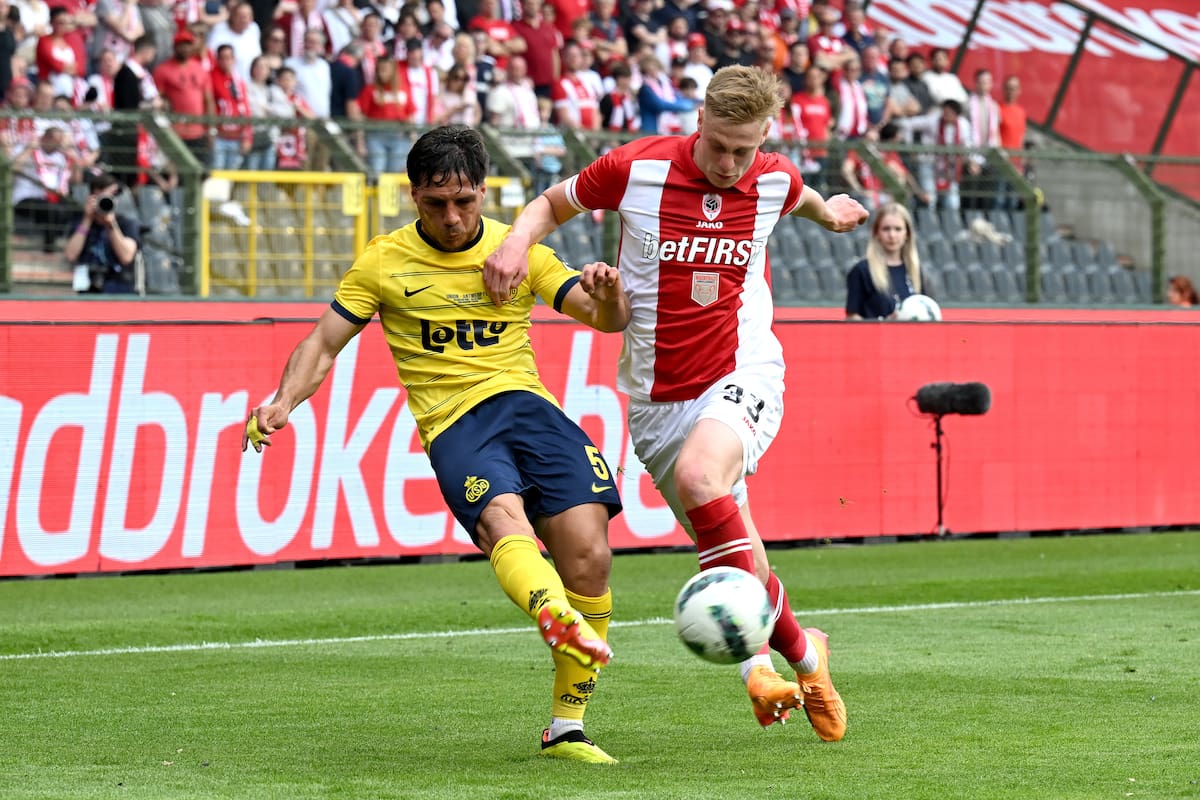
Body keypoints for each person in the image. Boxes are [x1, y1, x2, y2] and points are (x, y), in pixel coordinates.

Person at [484, 65, 866, 741]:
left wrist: (832, 214)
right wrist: (516, 243)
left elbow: (804, 198)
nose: (728, 163)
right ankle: (809, 659)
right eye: (718, 145)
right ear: (698, 121)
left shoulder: (773, 178)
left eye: (743, 150)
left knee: (699, 477)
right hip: (657, 403)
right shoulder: (635, 168)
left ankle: (755, 670)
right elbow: (552, 203)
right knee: (748, 563)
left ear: (765, 138)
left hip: (743, 369)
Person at [242, 125, 630, 764]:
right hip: (455, 424)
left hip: (530, 408)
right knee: (502, 519)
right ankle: (554, 616)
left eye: (464, 202)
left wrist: (610, 296)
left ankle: (566, 727)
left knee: (590, 557)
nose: (451, 218)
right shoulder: (384, 262)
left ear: (483, 192)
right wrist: (283, 401)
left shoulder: (517, 248)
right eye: (435, 203)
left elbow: (603, 319)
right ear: (413, 196)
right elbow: (322, 344)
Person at [63, 169, 142, 294]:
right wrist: (87, 220)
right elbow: (70, 255)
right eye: (99, 198)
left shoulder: (126, 223)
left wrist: (111, 224)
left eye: (108, 198)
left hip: (119, 289)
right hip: (88, 290)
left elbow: (126, 257)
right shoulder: (81, 223)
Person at [845, 202, 926, 319]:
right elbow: (852, 317)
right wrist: (884, 324)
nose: (892, 235)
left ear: (907, 234)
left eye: (898, 229)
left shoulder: (916, 270)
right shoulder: (862, 270)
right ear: (876, 233)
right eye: (886, 229)